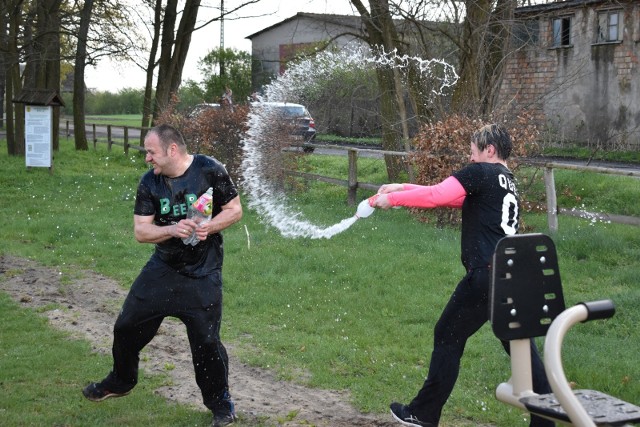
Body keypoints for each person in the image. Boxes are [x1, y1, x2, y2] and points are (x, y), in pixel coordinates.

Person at [370, 123, 554, 427]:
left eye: (473, 151)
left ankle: (423, 413)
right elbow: (452, 198)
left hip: (486, 275)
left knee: (447, 335)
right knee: (520, 347)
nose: (470, 157)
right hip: (510, 277)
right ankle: (545, 420)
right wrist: (402, 188)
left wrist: (392, 200)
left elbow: (437, 197)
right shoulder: (506, 180)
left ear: (489, 150)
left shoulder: (480, 172)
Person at [82, 124, 243, 427]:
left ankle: (221, 406)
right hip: (163, 269)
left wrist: (210, 226)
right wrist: (171, 228)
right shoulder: (149, 183)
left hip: (203, 274)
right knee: (126, 327)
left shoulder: (210, 170)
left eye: (151, 152)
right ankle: (121, 380)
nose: (147, 159)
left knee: (207, 344)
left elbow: (234, 210)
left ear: (171, 150)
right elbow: (142, 231)